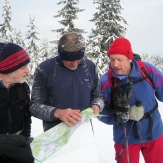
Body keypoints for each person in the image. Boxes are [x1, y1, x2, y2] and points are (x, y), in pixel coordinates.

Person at [100, 38, 163, 163]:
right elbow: (98, 111)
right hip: (125, 138)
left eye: (120, 59)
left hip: (154, 132)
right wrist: (117, 116)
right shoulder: (106, 81)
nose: (115, 64)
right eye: (112, 59)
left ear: (130, 58)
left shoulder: (147, 70)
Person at [30, 32, 104, 131]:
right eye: (70, 60)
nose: (75, 64)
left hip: (85, 133)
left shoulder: (90, 67)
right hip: (55, 136)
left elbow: (98, 96)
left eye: (78, 59)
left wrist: (97, 105)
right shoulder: (44, 69)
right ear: (61, 54)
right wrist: (57, 112)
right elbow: (34, 106)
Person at [0, 43, 34, 163]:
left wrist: (25, 142)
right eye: (23, 67)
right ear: (8, 68)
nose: (28, 71)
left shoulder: (22, 87)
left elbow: (26, 117)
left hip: (19, 149)